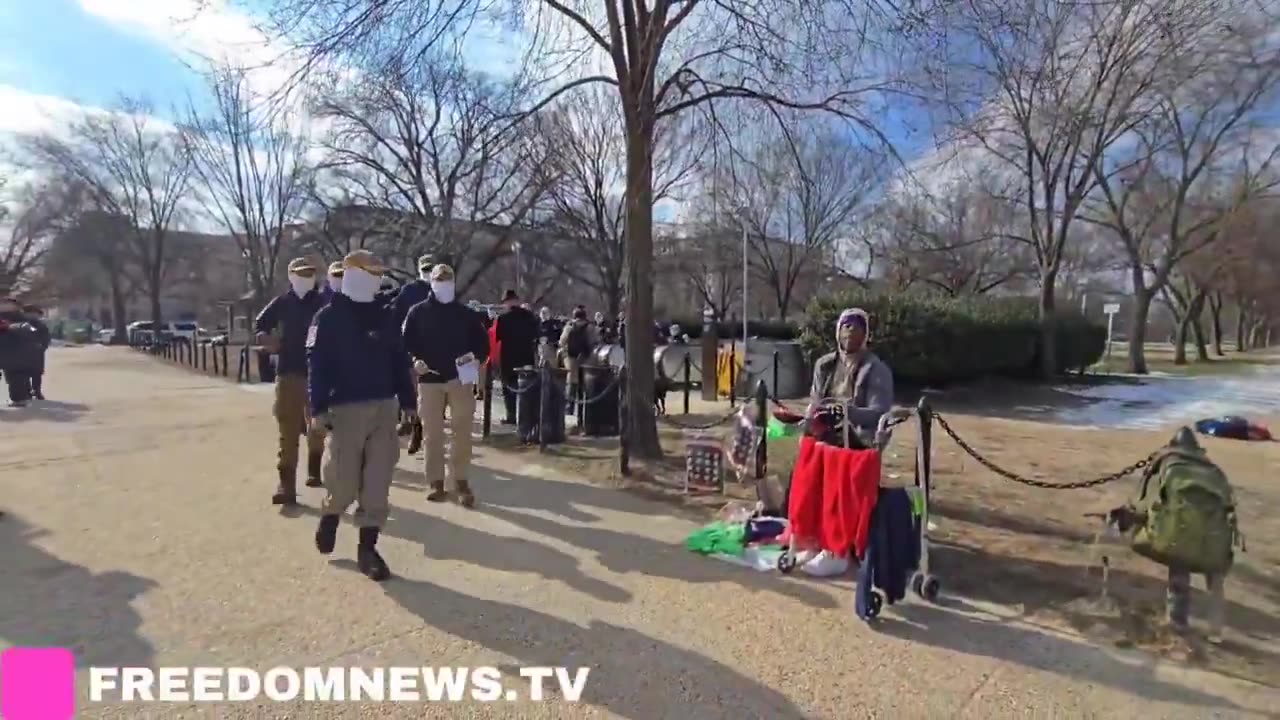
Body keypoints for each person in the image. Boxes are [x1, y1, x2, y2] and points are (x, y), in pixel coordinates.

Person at [308, 250, 417, 581]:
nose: (378, 279)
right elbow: (318, 365)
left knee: (377, 481)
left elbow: (399, 361)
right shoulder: (326, 318)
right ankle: (331, 512)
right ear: (353, 274)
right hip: (346, 408)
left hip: (384, 406)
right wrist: (317, 408)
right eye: (371, 273)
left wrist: (409, 402)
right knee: (343, 478)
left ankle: (367, 549)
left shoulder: (386, 316)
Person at [402, 264, 490, 506]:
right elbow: (406, 343)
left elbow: (483, 344)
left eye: (447, 279)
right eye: (438, 279)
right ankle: (435, 482)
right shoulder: (417, 312)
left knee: (462, 432)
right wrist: (414, 360)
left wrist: (476, 360)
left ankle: (460, 480)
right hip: (429, 380)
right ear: (431, 282)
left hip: (459, 380)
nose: (443, 283)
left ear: (453, 282)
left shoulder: (465, 314)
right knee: (433, 434)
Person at [254, 257, 328, 505]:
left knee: (317, 426)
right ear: (291, 276)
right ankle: (286, 484)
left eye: (310, 273)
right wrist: (266, 338)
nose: (305, 278)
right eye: (300, 273)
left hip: (317, 373)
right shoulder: (282, 303)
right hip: (288, 373)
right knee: (287, 429)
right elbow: (260, 325)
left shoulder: (323, 303)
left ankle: (314, 470)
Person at [807, 308, 893, 448]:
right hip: (824, 434)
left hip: (860, 439)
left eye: (857, 327)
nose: (851, 331)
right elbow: (815, 401)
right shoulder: (824, 365)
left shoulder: (876, 369)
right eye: (847, 326)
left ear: (865, 335)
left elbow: (879, 414)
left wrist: (847, 412)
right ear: (838, 332)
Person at [391, 254, 435, 454]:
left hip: (434, 351)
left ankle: (419, 431)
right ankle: (412, 425)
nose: (427, 273)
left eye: (430, 269)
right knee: (412, 390)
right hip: (411, 348)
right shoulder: (408, 291)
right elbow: (395, 316)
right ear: (419, 270)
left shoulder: (440, 291)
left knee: (428, 397)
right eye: (425, 269)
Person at [494, 289, 539, 425]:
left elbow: (498, 336)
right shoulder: (530, 316)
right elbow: (536, 334)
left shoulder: (503, 318)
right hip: (526, 356)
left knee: (508, 389)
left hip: (508, 357)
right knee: (526, 388)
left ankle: (511, 416)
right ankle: (527, 417)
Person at [0, 297, 43, 407]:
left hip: (16, 351)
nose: (4, 306)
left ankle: (20, 398)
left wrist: (14, 328)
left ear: (17, 307)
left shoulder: (23, 318)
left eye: (8, 304)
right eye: (3, 304)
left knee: (17, 376)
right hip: (3, 350)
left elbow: (33, 331)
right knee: (11, 377)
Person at [558, 307, 596, 410]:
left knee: (572, 382)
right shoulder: (589, 327)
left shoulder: (569, 327)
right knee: (585, 384)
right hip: (585, 358)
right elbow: (593, 342)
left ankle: (569, 407)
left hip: (571, 357)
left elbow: (561, 342)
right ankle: (583, 410)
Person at [23, 305, 50, 400]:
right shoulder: (22, 324)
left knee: (36, 374)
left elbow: (46, 339)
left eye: (36, 314)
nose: (33, 316)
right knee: (23, 373)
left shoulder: (41, 326)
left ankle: (37, 391)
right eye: (31, 313)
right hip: (22, 353)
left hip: (36, 354)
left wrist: (42, 346)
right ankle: (26, 391)